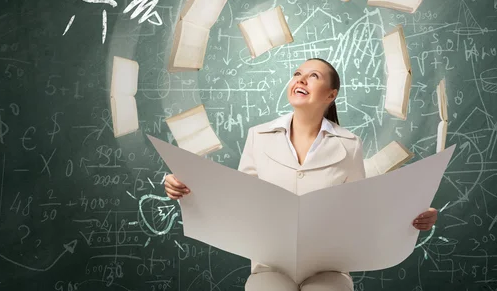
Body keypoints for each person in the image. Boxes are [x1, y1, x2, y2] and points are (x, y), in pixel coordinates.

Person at [164, 58, 438, 291]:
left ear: (331, 95)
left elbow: (362, 211)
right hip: (269, 265)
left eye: (313, 76)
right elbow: (237, 200)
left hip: (329, 267)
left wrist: (413, 214)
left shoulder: (349, 144)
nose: (301, 79)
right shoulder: (258, 136)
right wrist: (184, 187)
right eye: (297, 74)